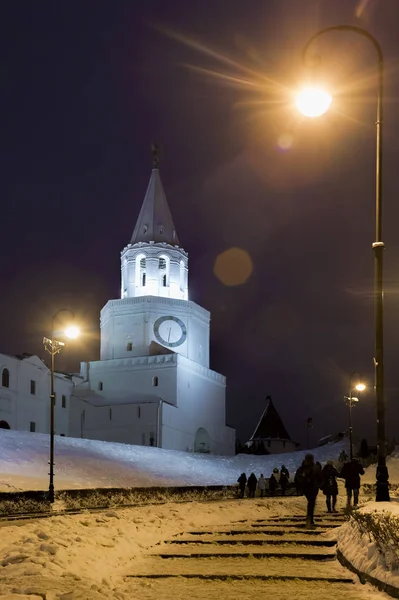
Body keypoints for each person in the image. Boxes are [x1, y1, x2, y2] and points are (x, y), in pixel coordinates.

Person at [296, 454, 323, 528]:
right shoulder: (305, 468)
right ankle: (309, 518)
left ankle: (310, 518)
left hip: (312, 488)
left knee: (311, 503)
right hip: (309, 488)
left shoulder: (310, 468)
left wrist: (319, 485)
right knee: (311, 503)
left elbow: (320, 477)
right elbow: (298, 477)